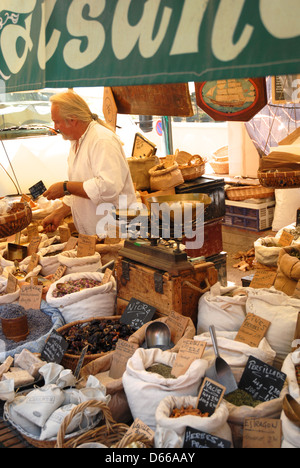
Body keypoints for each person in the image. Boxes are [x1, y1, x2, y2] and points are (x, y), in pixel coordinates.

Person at [42, 90, 137, 237]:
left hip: (115, 232)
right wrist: (59, 213)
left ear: (73, 119)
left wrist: (65, 187)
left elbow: (108, 188)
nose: (56, 127)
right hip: (94, 234)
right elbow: (80, 185)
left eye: (57, 121)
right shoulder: (76, 141)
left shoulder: (102, 140)